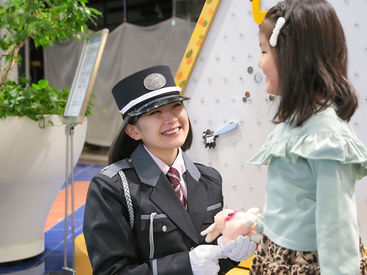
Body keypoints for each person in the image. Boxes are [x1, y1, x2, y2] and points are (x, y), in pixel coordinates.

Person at [220, 0, 367, 273]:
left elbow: (338, 229)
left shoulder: (326, 134)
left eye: (264, 51)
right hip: (279, 257)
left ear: (293, 58)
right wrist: (258, 225)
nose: (259, 62)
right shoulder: (297, 123)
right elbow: (297, 205)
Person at [83, 65, 240, 275]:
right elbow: (111, 271)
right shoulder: (112, 188)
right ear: (133, 130)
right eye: (155, 111)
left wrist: (231, 253)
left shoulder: (209, 179)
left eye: (176, 106)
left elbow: (211, 261)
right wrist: (185, 265)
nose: (171, 118)